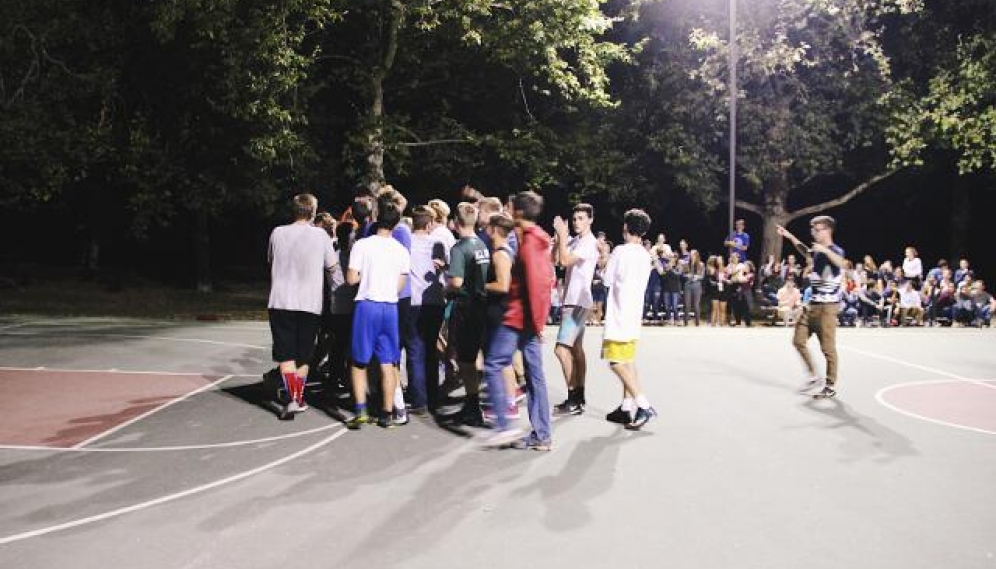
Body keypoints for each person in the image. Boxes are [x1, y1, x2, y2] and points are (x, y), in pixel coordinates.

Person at [482, 191, 554, 450]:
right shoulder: (534, 237)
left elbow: (538, 284)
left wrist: (536, 323)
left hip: (520, 317)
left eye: (511, 207)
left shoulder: (531, 243)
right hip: (529, 318)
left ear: (520, 213)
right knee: (535, 376)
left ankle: (505, 426)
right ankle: (542, 435)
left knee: (492, 364)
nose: (508, 211)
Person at [267, 194, 336, 419]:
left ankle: (292, 398)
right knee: (303, 356)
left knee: (286, 354)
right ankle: (296, 397)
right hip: (308, 302)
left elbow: (271, 258)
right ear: (313, 212)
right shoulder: (321, 236)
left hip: (280, 300)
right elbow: (332, 266)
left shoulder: (278, 232)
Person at [345, 203, 411, 429]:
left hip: (367, 304)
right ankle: (387, 413)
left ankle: (361, 410)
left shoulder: (362, 245)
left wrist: (367, 274)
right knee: (388, 362)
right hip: (390, 306)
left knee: (358, 361)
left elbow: (351, 279)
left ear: (376, 218)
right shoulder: (401, 250)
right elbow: (401, 284)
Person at [777, 216, 847, 398]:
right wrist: (789, 236)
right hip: (812, 307)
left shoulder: (835, 250)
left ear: (827, 230)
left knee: (828, 349)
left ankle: (830, 385)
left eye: (817, 229)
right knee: (798, 341)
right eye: (812, 230)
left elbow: (841, 263)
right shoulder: (817, 251)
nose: (813, 232)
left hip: (827, 308)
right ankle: (814, 376)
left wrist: (823, 249)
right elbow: (805, 251)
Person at [602, 209, 658, 430]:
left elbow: (607, 280)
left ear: (626, 227)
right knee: (628, 360)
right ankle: (626, 407)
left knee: (616, 362)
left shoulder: (620, 251)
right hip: (635, 312)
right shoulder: (645, 254)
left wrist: (604, 258)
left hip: (619, 313)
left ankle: (643, 404)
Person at [446, 202, 491, 426]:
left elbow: (456, 281)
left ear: (456, 222)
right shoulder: (481, 244)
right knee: (475, 357)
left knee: (465, 359)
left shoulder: (459, 248)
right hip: (482, 305)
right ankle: (475, 404)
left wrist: (446, 281)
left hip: (466, 306)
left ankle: (472, 405)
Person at [552, 203, 599, 416]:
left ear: (590, 220)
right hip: (577, 301)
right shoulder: (575, 240)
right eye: (575, 219)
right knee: (576, 350)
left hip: (577, 301)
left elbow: (564, 259)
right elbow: (556, 260)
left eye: (581, 218)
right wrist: (558, 239)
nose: (577, 222)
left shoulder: (588, 243)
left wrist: (562, 237)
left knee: (561, 350)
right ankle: (579, 395)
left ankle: (573, 398)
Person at [407, 206, 448, 415]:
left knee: (415, 350)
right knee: (431, 350)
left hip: (413, 301)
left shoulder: (406, 243)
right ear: (430, 223)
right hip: (434, 301)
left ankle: (418, 399)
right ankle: (433, 396)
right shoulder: (437, 243)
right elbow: (445, 267)